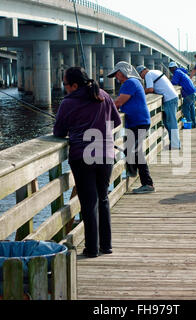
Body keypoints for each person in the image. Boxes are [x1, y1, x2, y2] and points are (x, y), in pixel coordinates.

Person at [53, 67, 121, 258]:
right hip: (106, 154)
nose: (64, 88)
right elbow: (116, 122)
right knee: (103, 198)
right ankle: (106, 246)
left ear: (74, 85)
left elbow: (58, 132)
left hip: (82, 156)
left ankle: (92, 249)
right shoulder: (104, 95)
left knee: (89, 203)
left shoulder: (68, 102)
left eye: (65, 84)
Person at [108, 61, 155, 194]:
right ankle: (132, 172)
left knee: (135, 151)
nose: (116, 77)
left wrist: (100, 110)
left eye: (117, 74)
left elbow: (118, 102)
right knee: (131, 149)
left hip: (139, 121)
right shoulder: (130, 83)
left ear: (122, 72)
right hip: (134, 122)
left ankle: (148, 183)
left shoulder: (130, 83)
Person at [136, 65, 181, 150]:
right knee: (169, 123)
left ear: (143, 71)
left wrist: (140, 92)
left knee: (171, 123)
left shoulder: (148, 74)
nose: (141, 78)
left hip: (169, 99)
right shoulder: (156, 71)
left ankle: (175, 145)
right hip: (172, 97)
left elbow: (150, 89)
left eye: (140, 75)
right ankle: (175, 144)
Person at [169, 61, 196, 129]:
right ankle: (193, 123)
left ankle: (189, 122)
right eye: (170, 69)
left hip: (188, 93)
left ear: (175, 68)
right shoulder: (181, 72)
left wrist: (168, 82)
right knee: (191, 108)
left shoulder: (177, 72)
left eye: (172, 68)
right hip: (192, 91)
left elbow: (174, 82)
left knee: (185, 109)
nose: (171, 70)